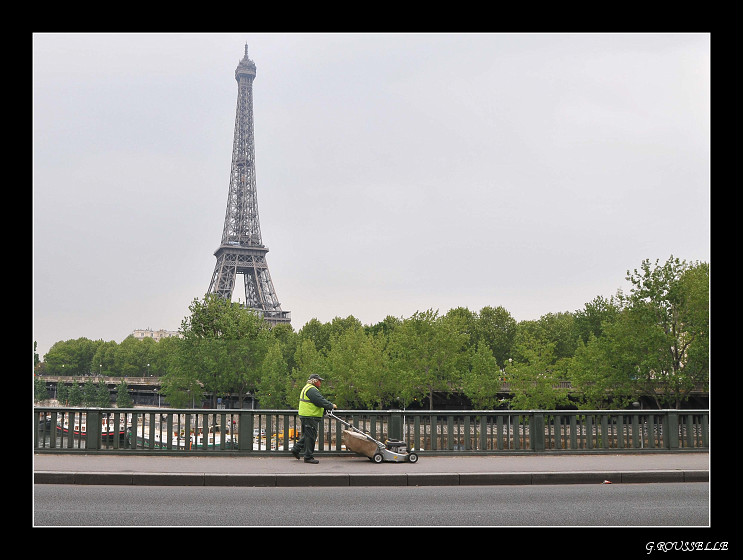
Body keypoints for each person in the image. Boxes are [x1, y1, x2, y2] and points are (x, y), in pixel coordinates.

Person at [291, 374, 336, 464]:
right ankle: (308, 457)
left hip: (306, 415)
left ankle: (296, 449)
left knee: (308, 435)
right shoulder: (312, 390)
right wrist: (331, 406)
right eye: (319, 381)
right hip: (310, 415)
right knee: (311, 437)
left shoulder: (307, 388)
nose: (320, 383)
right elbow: (320, 401)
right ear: (314, 381)